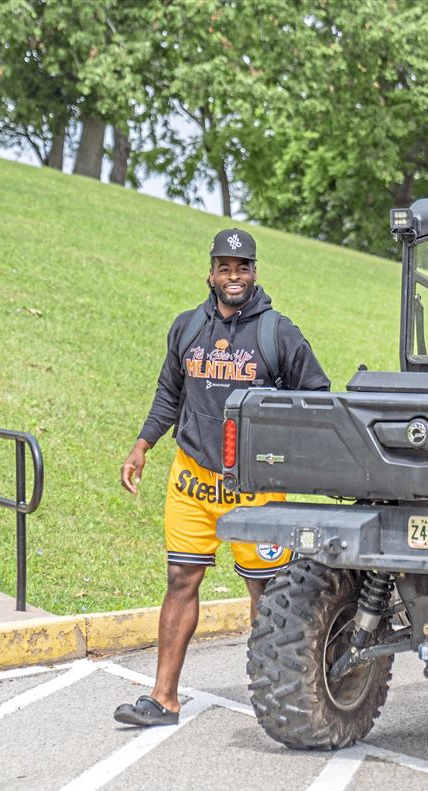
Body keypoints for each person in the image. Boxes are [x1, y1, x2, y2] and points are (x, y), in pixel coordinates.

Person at [113, 228, 330, 727]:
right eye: (225, 267)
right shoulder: (188, 328)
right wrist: (142, 445)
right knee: (180, 580)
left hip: (253, 489)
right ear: (210, 273)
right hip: (192, 481)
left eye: (243, 267)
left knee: (267, 593)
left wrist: (287, 453)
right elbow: (170, 393)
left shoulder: (279, 333)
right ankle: (162, 698)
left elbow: (316, 398)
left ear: (255, 273)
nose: (234, 276)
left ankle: (275, 700)